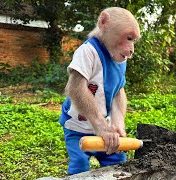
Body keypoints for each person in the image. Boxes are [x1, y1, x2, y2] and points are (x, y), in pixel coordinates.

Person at [59, 7, 141, 175]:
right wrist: (101, 127)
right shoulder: (88, 51)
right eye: (129, 38)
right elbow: (76, 88)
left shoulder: (119, 59)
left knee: (118, 165)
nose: (131, 49)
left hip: (105, 127)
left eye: (134, 41)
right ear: (104, 22)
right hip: (77, 127)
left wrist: (118, 123)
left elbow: (119, 91)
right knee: (79, 166)